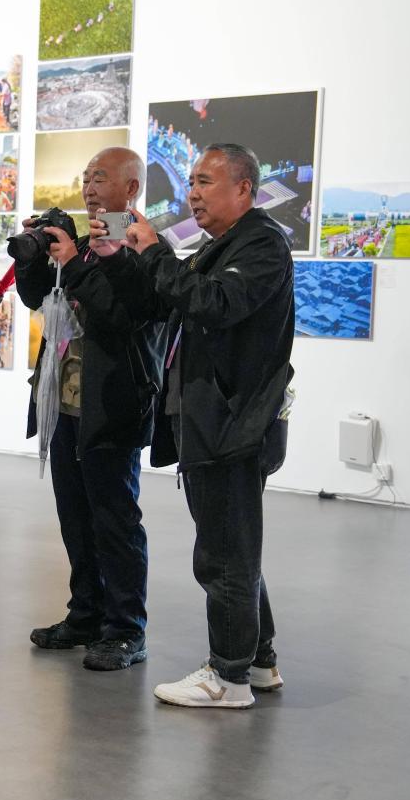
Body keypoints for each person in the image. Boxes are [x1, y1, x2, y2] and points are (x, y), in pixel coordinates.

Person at [93, 143, 294, 708]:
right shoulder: (221, 246)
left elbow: (214, 303)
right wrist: (124, 257)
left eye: (206, 182)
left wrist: (155, 253)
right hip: (214, 419)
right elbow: (167, 304)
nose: (193, 193)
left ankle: (227, 678)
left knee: (223, 555)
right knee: (235, 546)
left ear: (244, 189)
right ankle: (257, 661)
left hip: (233, 421)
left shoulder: (261, 244)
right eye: (192, 182)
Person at [15, 148, 168, 672]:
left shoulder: (143, 247)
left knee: (115, 520)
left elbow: (123, 315)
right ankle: (85, 615)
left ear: (131, 189)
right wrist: (32, 258)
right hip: (64, 401)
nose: (89, 188)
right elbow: (37, 298)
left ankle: (126, 628)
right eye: (85, 178)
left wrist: (75, 265)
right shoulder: (81, 245)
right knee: (75, 517)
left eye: (100, 178)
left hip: (113, 402)